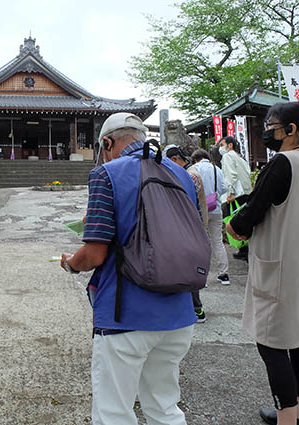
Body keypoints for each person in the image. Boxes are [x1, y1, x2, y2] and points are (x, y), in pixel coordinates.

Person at [61, 112, 197, 425]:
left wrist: (70, 264)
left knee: (114, 413)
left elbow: (95, 254)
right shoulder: (181, 175)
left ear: (107, 142)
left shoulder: (106, 174)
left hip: (127, 315)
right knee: (164, 408)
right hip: (178, 312)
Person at [226, 102, 299, 425]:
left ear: (291, 129)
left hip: (279, 267)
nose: (267, 130)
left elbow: (253, 211)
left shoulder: (282, 162)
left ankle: (286, 419)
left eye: (271, 125)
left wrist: (234, 227)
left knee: (270, 343)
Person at [164, 144, 208, 323]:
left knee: (188, 267)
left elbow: (186, 203)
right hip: (192, 225)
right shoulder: (189, 172)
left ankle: (197, 309)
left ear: (174, 159)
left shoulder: (188, 175)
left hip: (189, 226)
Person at [191, 149, 230, 285]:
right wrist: (215, 193)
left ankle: (203, 276)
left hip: (201, 210)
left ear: (196, 159)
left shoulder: (194, 168)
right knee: (218, 241)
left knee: (201, 242)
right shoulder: (216, 169)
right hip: (216, 208)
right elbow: (225, 187)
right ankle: (224, 274)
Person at [218, 136, 253, 261]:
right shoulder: (240, 158)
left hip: (236, 194)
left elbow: (230, 175)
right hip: (246, 192)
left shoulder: (228, 156)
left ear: (230, 145)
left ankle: (242, 247)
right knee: (245, 221)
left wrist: (230, 192)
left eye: (222, 144)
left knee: (234, 221)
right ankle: (245, 248)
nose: (220, 148)